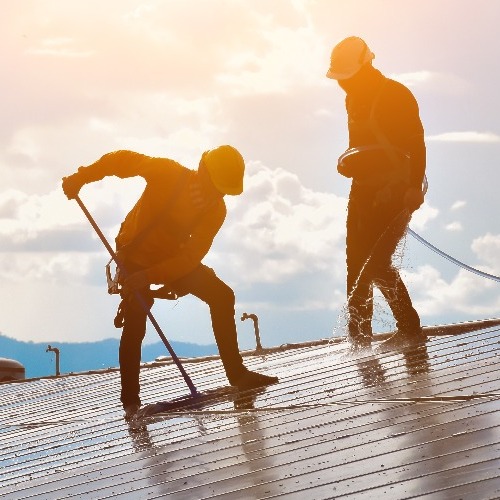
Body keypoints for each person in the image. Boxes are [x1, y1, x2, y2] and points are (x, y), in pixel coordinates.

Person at [62, 146, 278, 418]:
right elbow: (120, 161)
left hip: (170, 259)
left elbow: (189, 257)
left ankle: (237, 373)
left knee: (222, 296)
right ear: (202, 174)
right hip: (134, 254)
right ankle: (130, 402)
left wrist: (151, 276)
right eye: (216, 187)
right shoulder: (167, 173)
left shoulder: (216, 211)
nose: (217, 195)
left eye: (222, 191)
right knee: (137, 315)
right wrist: (82, 177)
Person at [326, 36, 427, 352]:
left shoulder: (396, 96)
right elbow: (364, 146)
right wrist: (351, 164)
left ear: (366, 66)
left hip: (395, 189)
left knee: (378, 259)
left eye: (347, 78)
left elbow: (416, 144)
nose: (343, 85)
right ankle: (359, 338)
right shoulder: (352, 98)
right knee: (355, 261)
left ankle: (409, 327)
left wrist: (412, 189)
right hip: (363, 188)